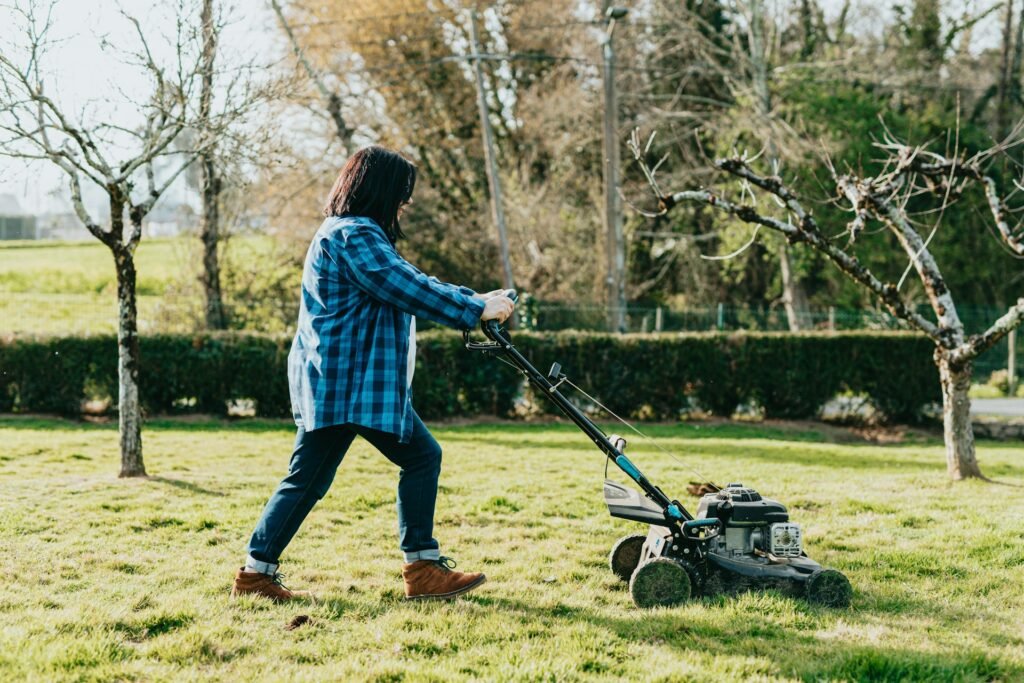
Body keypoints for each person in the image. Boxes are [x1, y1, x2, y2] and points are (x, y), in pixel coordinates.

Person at [232, 145, 515, 602]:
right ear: (380, 191)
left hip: (342, 381)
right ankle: (420, 568)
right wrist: (474, 308)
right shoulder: (354, 235)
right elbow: (403, 286)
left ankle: (255, 575)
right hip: (350, 384)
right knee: (419, 458)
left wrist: (473, 298)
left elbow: (410, 277)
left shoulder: (349, 233)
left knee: (308, 478)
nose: (405, 203)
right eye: (402, 193)